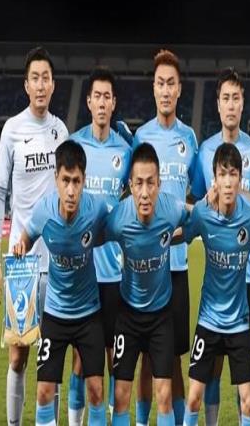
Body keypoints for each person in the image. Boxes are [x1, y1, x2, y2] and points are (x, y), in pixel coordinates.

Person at [0, 46, 68, 426]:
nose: (40, 85)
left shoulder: (60, 132)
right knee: (18, 356)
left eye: (45, 78)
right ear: (26, 85)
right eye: (34, 78)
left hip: (56, 263)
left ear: (53, 85)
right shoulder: (12, 130)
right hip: (21, 263)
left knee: (51, 357)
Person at [190, 68, 250, 425]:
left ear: (242, 103)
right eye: (226, 98)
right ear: (218, 104)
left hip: (245, 276)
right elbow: (198, 203)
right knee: (212, 370)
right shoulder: (204, 150)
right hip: (216, 274)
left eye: (237, 98)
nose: (232, 104)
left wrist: (240, 194)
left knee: (242, 374)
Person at [182, 143, 250, 426]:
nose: (227, 182)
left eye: (233, 174)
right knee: (193, 398)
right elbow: (181, 234)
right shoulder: (202, 214)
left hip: (239, 322)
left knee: (248, 401)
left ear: (240, 179)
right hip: (208, 320)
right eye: (222, 174)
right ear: (214, 178)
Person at [12, 140, 109, 426]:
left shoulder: (96, 209)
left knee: (96, 390)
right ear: (56, 178)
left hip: (89, 314)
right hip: (54, 314)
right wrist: (21, 246)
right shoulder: (44, 211)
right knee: (44, 392)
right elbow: (27, 236)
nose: (70, 190)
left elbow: (119, 226)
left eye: (76, 181)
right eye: (65, 180)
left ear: (84, 180)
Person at [132, 49, 198, 426]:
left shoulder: (190, 138)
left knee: (173, 356)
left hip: (177, 266)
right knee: (145, 356)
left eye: (171, 83)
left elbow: (197, 203)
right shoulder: (141, 137)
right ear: (153, 88)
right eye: (160, 83)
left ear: (179, 89)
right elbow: (130, 198)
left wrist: (181, 232)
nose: (166, 90)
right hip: (145, 268)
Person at [106, 142, 189, 426]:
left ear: (159, 184)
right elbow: (90, 236)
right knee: (120, 395)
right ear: (130, 185)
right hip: (127, 315)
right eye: (139, 183)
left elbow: (198, 216)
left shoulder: (171, 208)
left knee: (164, 394)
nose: (144, 192)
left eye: (150, 183)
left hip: (161, 316)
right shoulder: (117, 218)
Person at [68, 66, 132, 424]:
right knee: (80, 360)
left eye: (108, 96)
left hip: (114, 273)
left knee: (113, 357)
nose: (103, 102)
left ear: (114, 102)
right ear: (89, 102)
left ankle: (111, 417)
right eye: (97, 96)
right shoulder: (75, 146)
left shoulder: (125, 149)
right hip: (82, 273)